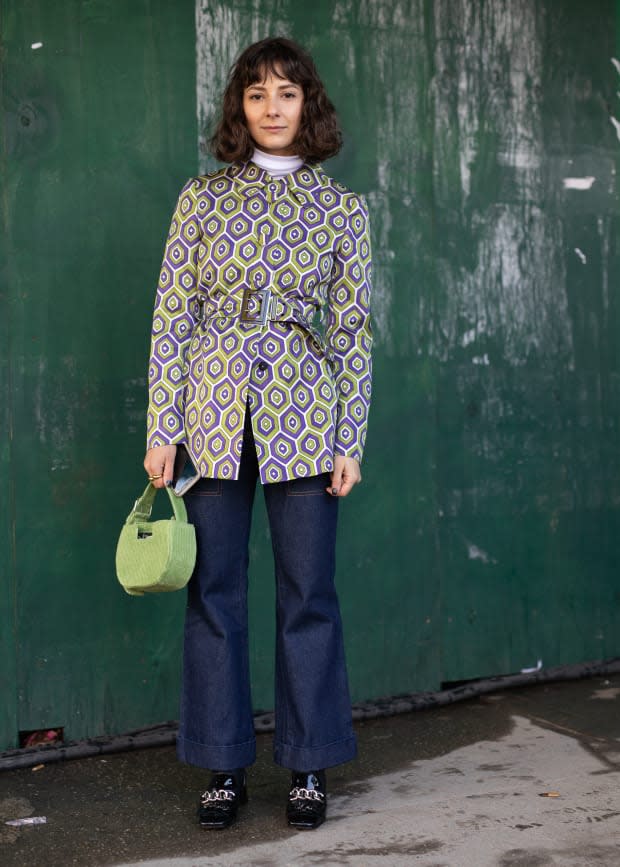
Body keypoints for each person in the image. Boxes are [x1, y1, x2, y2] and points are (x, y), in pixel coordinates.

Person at [143, 36, 372, 831]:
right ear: (239, 109)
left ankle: (308, 763)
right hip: (210, 414)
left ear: (309, 104)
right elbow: (172, 316)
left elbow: (351, 334)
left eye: (287, 92)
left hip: (306, 417)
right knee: (215, 591)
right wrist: (162, 425)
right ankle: (222, 763)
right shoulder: (200, 199)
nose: (272, 107)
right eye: (256, 94)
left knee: (308, 593)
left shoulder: (342, 208)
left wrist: (351, 439)